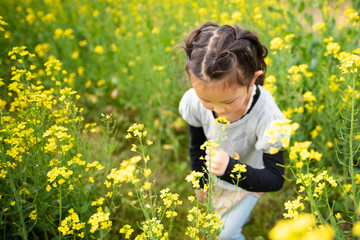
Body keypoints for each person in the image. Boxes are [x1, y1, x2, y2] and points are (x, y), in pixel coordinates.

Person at [178, 22, 285, 240]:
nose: (218, 110)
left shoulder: (268, 116)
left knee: (224, 234)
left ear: (253, 80)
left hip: (252, 177)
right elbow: (196, 144)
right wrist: (201, 181)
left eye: (228, 101)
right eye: (206, 100)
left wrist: (230, 168)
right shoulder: (194, 102)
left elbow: (275, 178)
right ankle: (240, 216)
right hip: (219, 174)